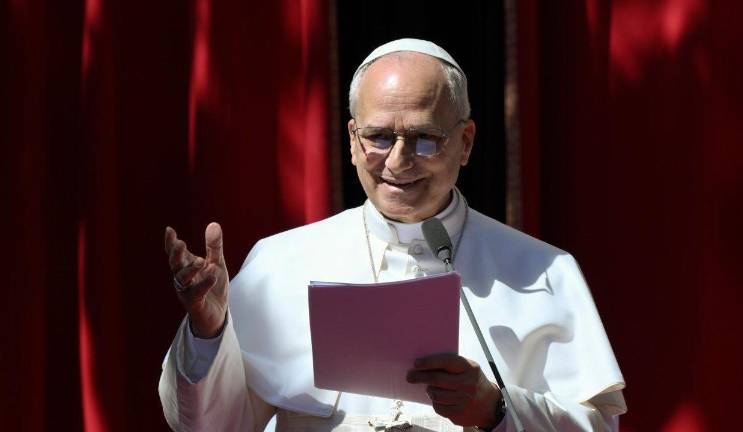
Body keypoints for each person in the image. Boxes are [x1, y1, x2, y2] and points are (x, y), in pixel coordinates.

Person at [159, 39, 626, 431]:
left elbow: (599, 426)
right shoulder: (281, 262)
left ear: (465, 143)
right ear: (351, 138)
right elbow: (209, 426)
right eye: (379, 136)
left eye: (425, 138)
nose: (399, 161)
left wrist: (497, 410)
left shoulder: (543, 271)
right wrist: (209, 332)